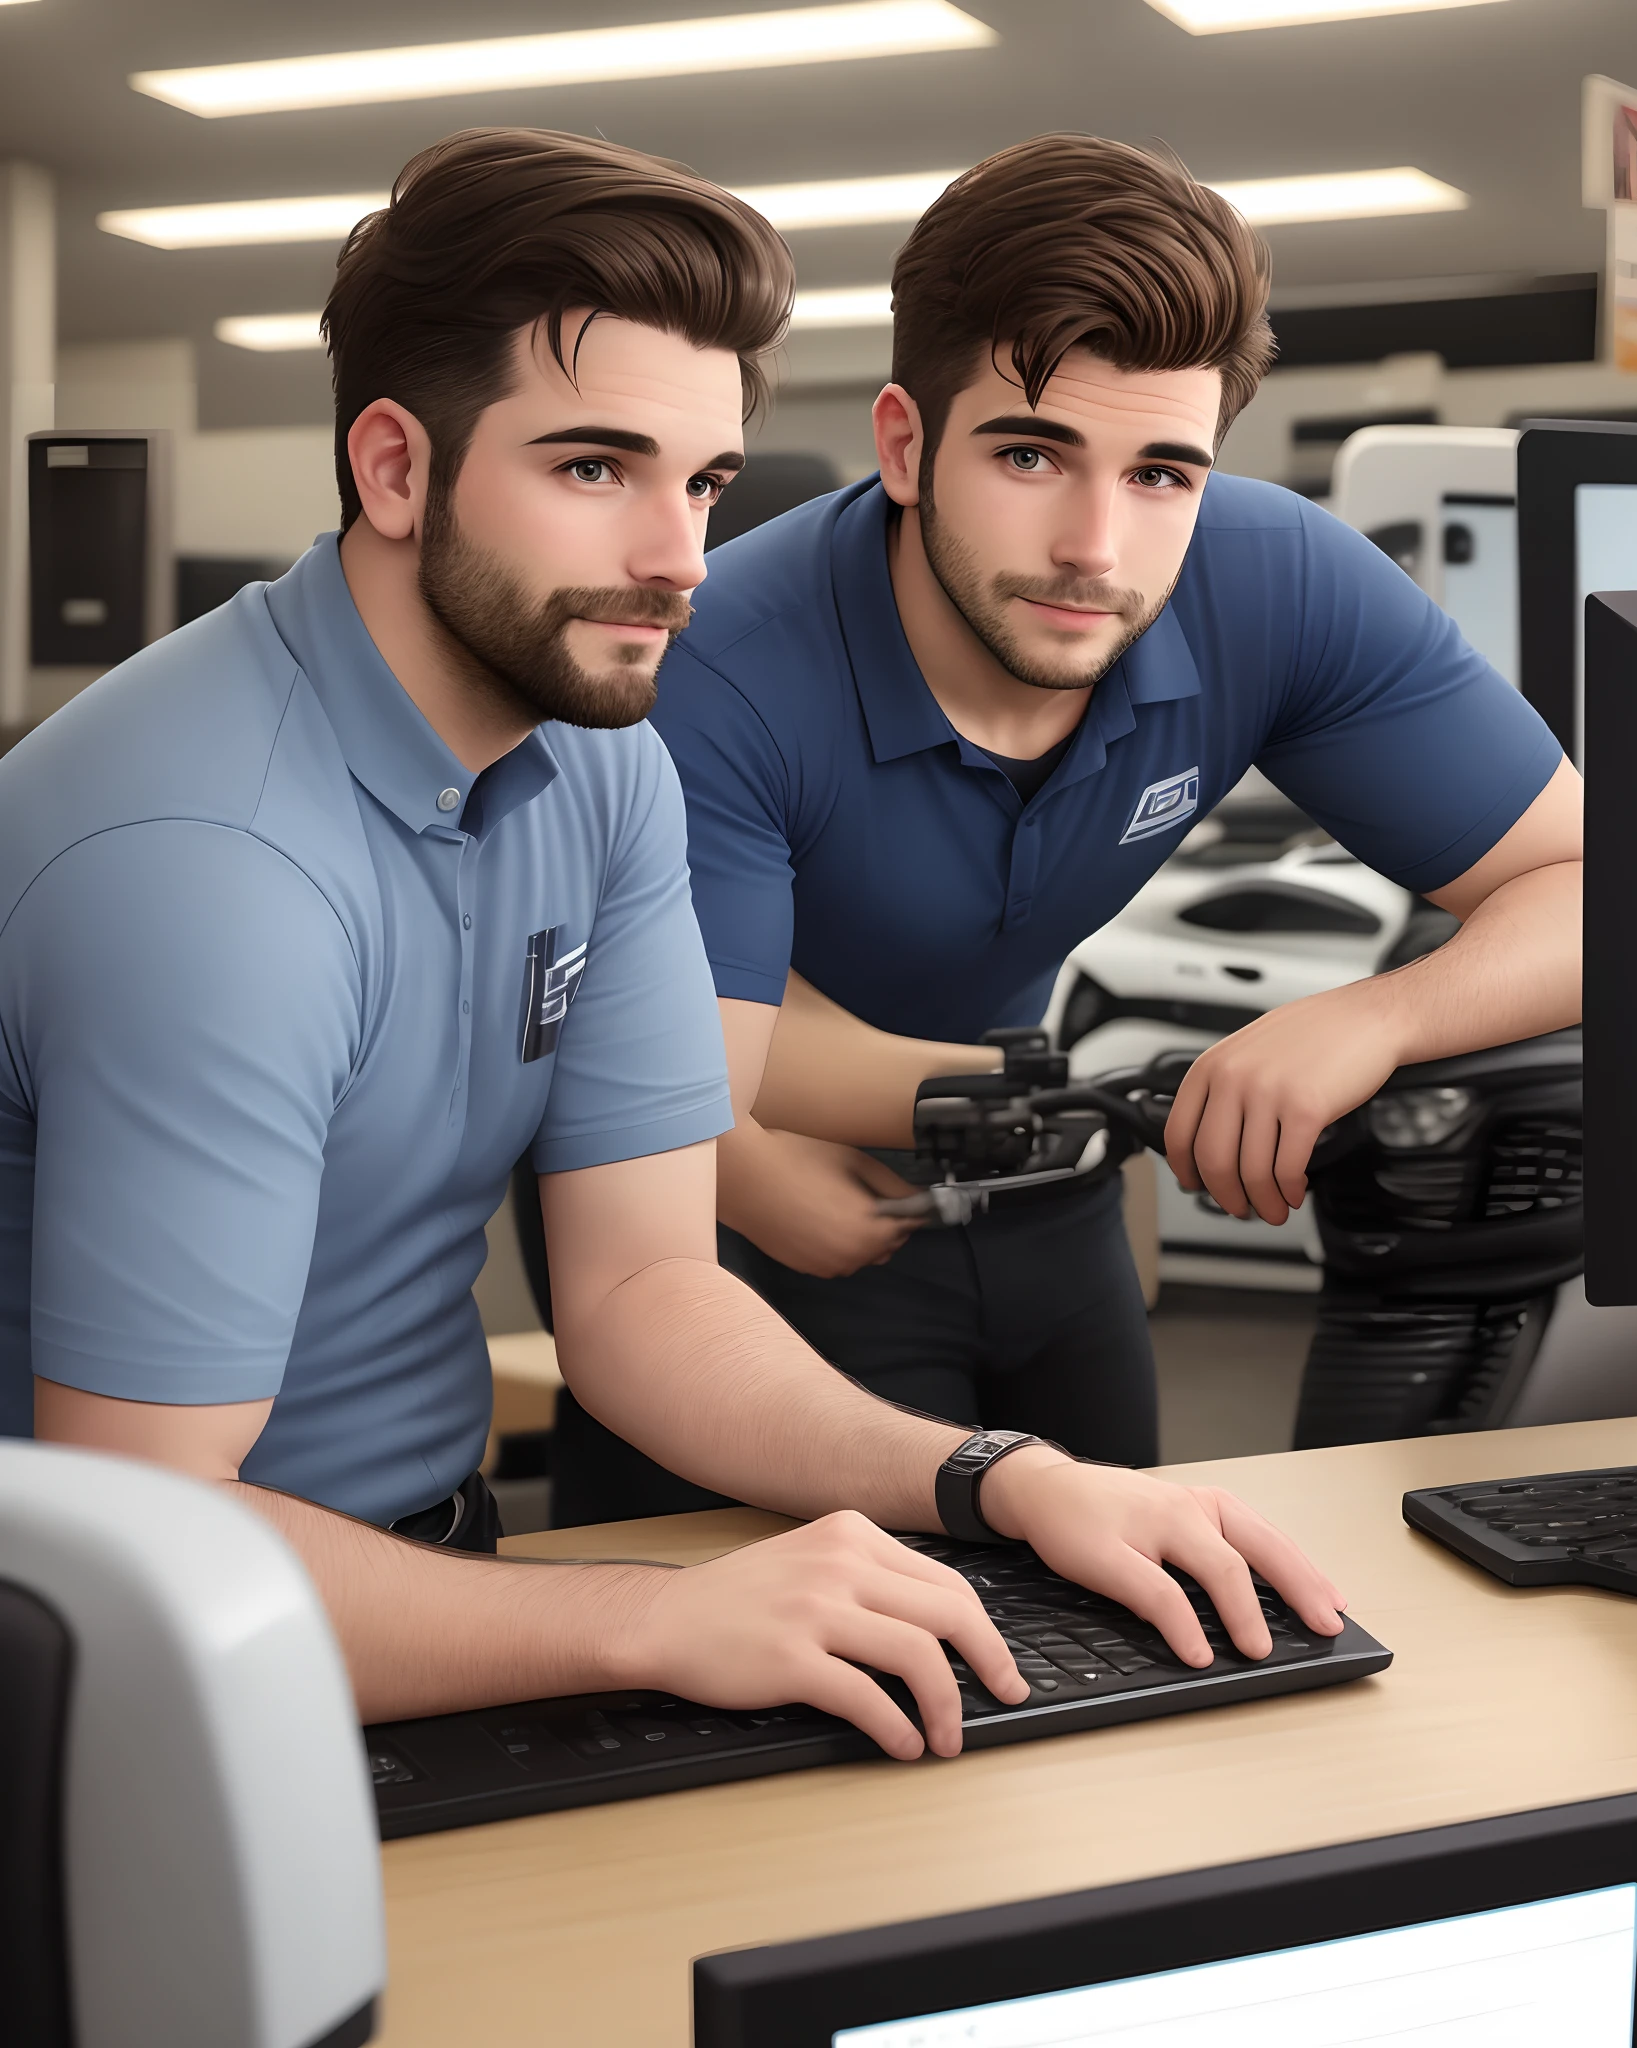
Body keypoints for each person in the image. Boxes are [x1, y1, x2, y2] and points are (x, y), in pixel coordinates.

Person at [0, 128, 1346, 1762]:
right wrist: (650, 1613)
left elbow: (642, 1291)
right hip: (114, 1668)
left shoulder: (600, 750)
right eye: (591, 469)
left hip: (413, 1576)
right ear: (395, 467)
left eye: (699, 481)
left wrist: (996, 1476)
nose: (678, 559)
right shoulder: (214, 869)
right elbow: (153, 1547)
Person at [552, 134, 1581, 1518]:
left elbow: (1591, 883)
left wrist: (1370, 1021)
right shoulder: (714, 662)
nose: (1099, 543)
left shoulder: (1274, 577)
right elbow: (699, 1063)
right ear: (907, 444)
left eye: (1163, 471)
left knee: (1126, 1614)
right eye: (1033, 453)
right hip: (740, 1194)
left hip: (1033, 1182)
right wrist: (1053, 1093)